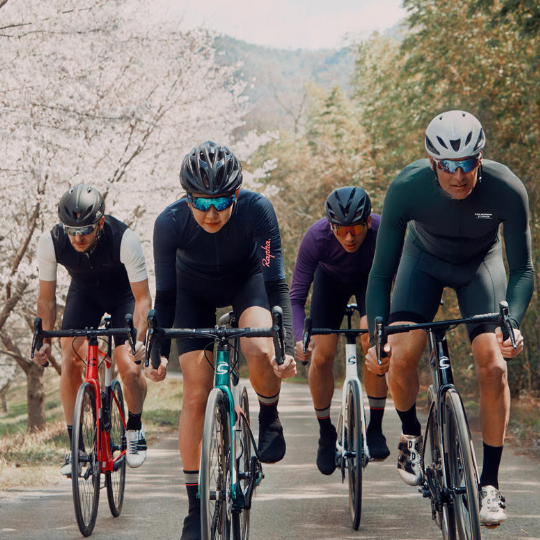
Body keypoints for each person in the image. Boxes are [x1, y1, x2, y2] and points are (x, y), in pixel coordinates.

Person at [365, 110, 533, 527]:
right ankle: (410, 432)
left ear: (481, 158)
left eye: (468, 163)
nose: (458, 175)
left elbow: (523, 270)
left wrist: (512, 324)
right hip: (421, 264)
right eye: (447, 165)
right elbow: (381, 274)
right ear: (431, 163)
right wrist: (378, 338)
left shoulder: (507, 188)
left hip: (480, 268)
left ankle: (489, 484)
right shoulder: (406, 187)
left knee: (494, 366)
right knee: (401, 353)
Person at [147, 141, 296, 540]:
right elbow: (165, 298)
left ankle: (269, 415)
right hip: (191, 293)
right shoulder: (168, 223)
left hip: (247, 282)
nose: (211, 213)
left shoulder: (257, 210)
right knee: (196, 393)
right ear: (187, 197)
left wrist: (285, 346)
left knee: (259, 347)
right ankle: (195, 506)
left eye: (221, 202)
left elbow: (276, 284)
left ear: (236, 194)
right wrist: (156, 352)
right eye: (201, 202)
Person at [33, 184, 152, 473]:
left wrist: (138, 341)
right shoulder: (51, 241)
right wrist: (43, 340)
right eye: (71, 230)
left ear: (100, 222)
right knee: (70, 358)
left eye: (85, 230)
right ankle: (75, 447)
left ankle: (135, 428)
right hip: (84, 294)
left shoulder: (124, 239)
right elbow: (46, 299)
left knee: (129, 365)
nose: (78, 237)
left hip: (124, 296)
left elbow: (143, 299)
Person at [290, 186, 390, 475]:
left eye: (356, 229)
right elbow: (295, 298)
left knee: (373, 340)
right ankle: (326, 434)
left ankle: (375, 426)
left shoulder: (383, 231)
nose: (349, 237)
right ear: (331, 226)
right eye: (341, 230)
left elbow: (396, 280)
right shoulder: (316, 237)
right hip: (330, 284)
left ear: (368, 221)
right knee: (321, 355)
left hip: (372, 281)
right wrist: (300, 337)